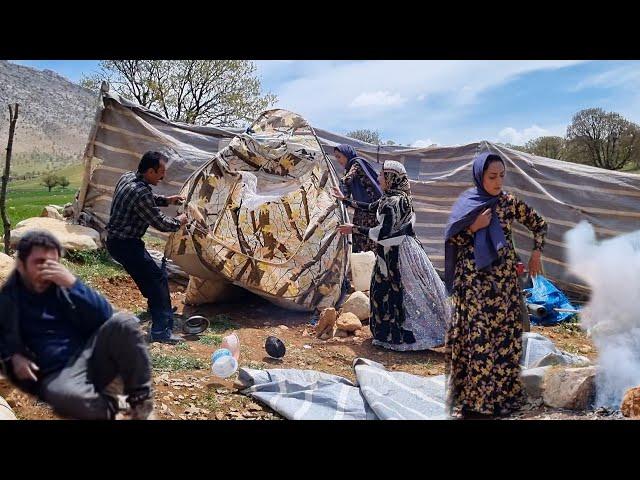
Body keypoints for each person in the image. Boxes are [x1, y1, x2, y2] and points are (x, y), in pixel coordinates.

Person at [0, 231, 154, 420]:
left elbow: (104, 314)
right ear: (22, 265)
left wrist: (72, 284)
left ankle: (138, 397)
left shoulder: (61, 287)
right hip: (59, 372)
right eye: (39, 262)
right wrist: (14, 355)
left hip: (90, 354)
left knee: (123, 322)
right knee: (67, 396)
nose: (47, 269)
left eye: (52, 263)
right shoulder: (9, 300)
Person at [444, 151, 548, 418]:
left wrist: (536, 252)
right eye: (492, 176)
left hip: (502, 286)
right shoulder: (468, 203)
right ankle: (475, 403)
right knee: (477, 339)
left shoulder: (508, 203)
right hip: (473, 284)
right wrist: (473, 228)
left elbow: (540, 224)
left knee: (503, 340)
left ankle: (500, 400)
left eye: (502, 175)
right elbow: (451, 240)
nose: (498, 181)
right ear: (480, 176)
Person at [335, 160, 450, 351]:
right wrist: (345, 200)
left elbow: (385, 233)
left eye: (382, 175)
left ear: (391, 178)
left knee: (393, 293)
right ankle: (388, 335)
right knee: (386, 291)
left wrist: (354, 229)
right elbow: (370, 206)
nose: (378, 178)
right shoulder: (392, 197)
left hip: (396, 255)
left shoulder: (395, 202)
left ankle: (398, 337)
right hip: (390, 252)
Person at [106, 151, 188, 344]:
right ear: (150, 171)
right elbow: (160, 222)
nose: (163, 176)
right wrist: (180, 221)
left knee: (149, 278)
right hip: (126, 244)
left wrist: (167, 200)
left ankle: (158, 310)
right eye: (161, 172)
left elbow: (146, 199)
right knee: (157, 279)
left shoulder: (128, 177)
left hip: (117, 241)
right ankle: (161, 331)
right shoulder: (140, 192)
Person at [333, 144, 383, 253]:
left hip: (371, 211)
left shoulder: (357, 163)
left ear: (347, 154)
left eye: (339, 156)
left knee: (369, 245)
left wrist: (338, 184)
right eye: (336, 157)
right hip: (360, 211)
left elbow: (348, 179)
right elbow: (345, 193)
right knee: (359, 244)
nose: (338, 160)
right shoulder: (348, 170)